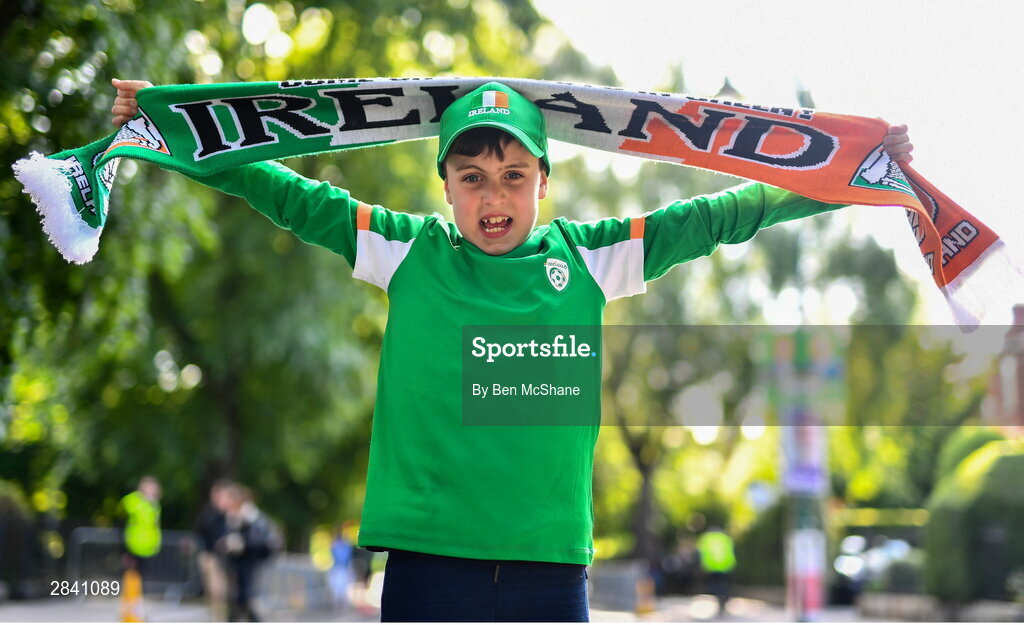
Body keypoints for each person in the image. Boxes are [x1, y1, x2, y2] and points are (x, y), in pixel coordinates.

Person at [110, 78, 913, 621]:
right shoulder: (408, 251)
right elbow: (289, 194)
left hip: (548, 566)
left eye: (512, 175)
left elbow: (723, 215)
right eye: (472, 178)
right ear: (445, 185)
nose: (493, 197)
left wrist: (850, 171)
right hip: (427, 564)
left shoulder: (593, 256)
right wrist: (173, 130)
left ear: (543, 179)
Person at [217, 484, 281, 621]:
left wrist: (238, 542)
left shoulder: (250, 516)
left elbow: (254, 539)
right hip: (239, 560)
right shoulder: (235, 516)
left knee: (245, 595)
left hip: (249, 559)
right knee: (239, 596)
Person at [195, 479, 233, 621]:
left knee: (223, 593)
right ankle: (216, 619)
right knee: (215, 592)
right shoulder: (209, 513)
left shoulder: (228, 515)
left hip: (225, 559)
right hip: (210, 556)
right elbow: (202, 531)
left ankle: (221, 618)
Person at [118, 476, 162, 589]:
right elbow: (122, 517)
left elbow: (155, 527)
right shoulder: (133, 501)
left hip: (147, 546)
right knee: (131, 574)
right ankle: (131, 601)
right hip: (132, 544)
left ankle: (136, 601)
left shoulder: (155, 506)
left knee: (140, 576)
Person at [696, 526, 736, 614]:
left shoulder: (706, 538)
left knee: (715, 585)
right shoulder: (726, 538)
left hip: (712, 566)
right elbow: (731, 550)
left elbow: (702, 552)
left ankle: (719, 599)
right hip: (725, 565)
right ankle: (723, 598)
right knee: (724, 585)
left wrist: (702, 565)